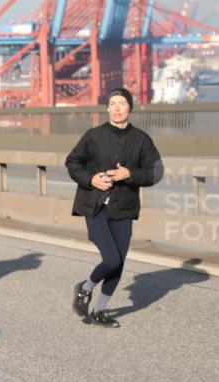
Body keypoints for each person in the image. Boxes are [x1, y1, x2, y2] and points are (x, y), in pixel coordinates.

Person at [65, 88, 162, 328]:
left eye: (122, 103)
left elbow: (156, 172)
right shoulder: (93, 136)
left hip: (124, 208)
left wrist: (130, 173)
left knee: (119, 261)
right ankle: (85, 288)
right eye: (113, 103)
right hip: (95, 206)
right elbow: (72, 162)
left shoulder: (142, 140)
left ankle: (99, 311)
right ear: (107, 108)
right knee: (111, 259)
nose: (117, 108)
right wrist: (91, 179)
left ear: (130, 108)